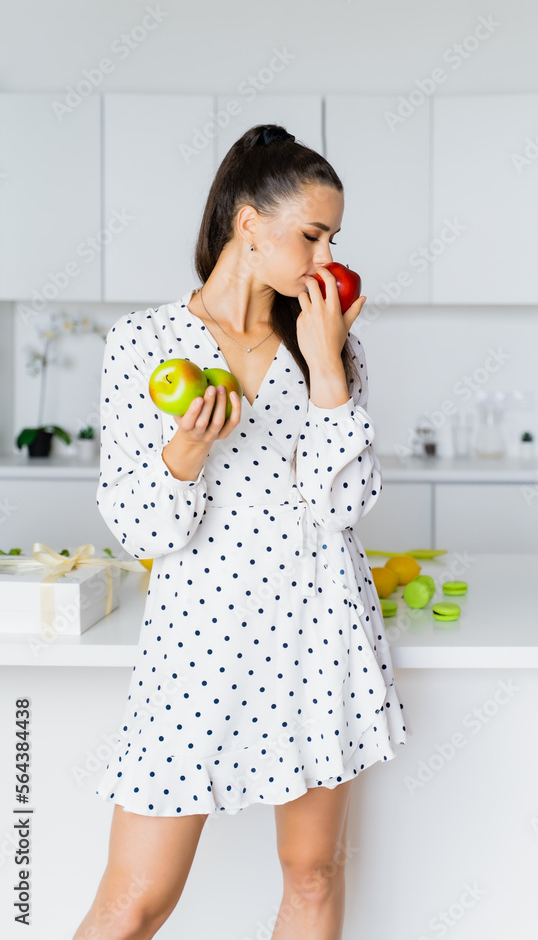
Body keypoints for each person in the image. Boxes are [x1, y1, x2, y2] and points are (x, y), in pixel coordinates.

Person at [73, 123, 409, 940]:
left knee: (312, 876)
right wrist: (185, 447)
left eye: (332, 237)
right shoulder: (144, 343)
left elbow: (346, 505)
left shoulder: (324, 341)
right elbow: (143, 531)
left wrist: (329, 368)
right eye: (311, 234)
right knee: (135, 899)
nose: (325, 255)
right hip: (200, 637)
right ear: (249, 224)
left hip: (317, 627)